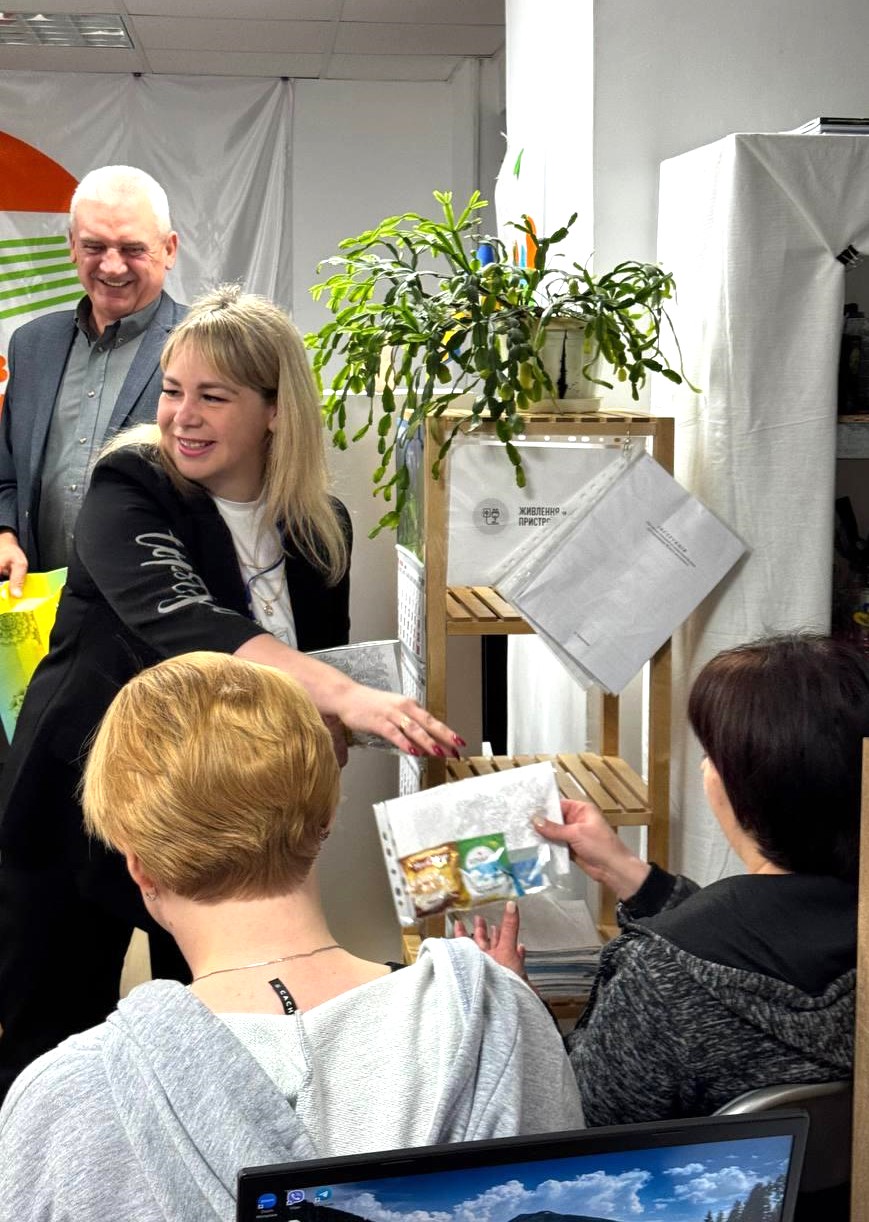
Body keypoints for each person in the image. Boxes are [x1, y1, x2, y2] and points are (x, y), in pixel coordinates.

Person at [0, 285, 461, 1102]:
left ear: (275, 410)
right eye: (173, 391)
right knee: (52, 1045)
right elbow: (184, 618)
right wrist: (342, 695)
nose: (182, 417)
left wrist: (333, 725)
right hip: (78, 805)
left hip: (223, 823)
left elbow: (310, 671)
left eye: (213, 397)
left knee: (224, 1047)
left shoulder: (318, 526)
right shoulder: (129, 484)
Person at [0, 652, 583, 1220]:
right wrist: (506, 1009)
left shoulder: (62, 1104)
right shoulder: (501, 1021)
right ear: (326, 818)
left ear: (139, 867)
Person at [462, 634, 864, 1127]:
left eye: (712, 755)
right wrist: (630, 873)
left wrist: (515, 1000)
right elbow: (755, 947)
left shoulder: (658, 980)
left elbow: (570, 1122)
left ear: (742, 787)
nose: (705, 767)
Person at [0, 164, 186, 590]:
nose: (113, 266)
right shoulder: (32, 346)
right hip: (38, 605)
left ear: (169, 249)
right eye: (94, 246)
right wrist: (5, 534)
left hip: (156, 609)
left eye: (133, 249)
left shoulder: (203, 350)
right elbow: (6, 474)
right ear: (71, 246)